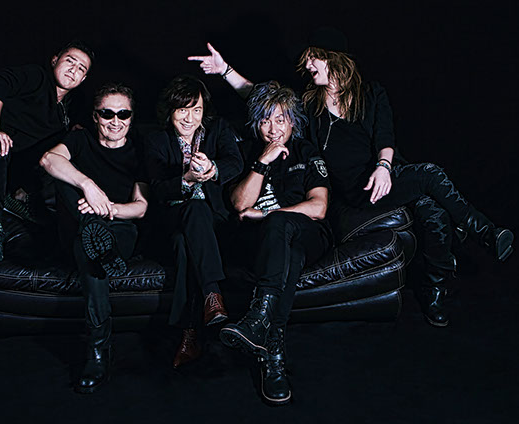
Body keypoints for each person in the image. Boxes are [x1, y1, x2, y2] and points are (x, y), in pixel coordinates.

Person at [188, 30, 514, 327]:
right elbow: (265, 100)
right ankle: (483, 232)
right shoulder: (311, 103)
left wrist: (384, 167)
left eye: (313, 58)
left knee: (431, 205)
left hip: (381, 178)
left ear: (333, 59)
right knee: (430, 178)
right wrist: (225, 70)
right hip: (352, 190)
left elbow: (385, 136)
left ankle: (438, 286)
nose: (307, 66)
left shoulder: (371, 93)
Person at [219, 81, 332, 405]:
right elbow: (240, 204)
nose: (272, 129)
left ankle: (258, 318)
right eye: (265, 120)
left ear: (292, 121)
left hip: (308, 234)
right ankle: (272, 349)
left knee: (280, 224)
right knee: (288, 255)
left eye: (280, 119)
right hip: (266, 246)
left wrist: (269, 214)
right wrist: (262, 162)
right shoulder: (244, 152)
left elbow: (319, 207)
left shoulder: (306, 151)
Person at [40, 83, 148, 393]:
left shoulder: (140, 150)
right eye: (107, 113)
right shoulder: (80, 140)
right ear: (95, 116)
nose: (116, 121)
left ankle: (99, 349)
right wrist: (89, 187)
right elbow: (48, 160)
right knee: (64, 176)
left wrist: (108, 208)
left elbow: (140, 207)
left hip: (119, 229)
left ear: (131, 117)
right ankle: (93, 231)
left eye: (123, 114)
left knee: (91, 253)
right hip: (77, 225)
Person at [0, 40, 95, 261]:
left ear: (83, 79)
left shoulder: (71, 107)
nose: (73, 69)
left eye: (81, 68)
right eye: (69, 61)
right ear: (55, 60)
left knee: (69, 150)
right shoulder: (37, 77)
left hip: (18, 171)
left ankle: (27, 204)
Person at [144, 75, 243, 368]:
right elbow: (157, 187)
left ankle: (189, 335)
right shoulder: (155, 140)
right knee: (188, 219)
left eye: (196, 110)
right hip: (172, 218)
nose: (190, 118)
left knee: (185, 242)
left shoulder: (218, 129)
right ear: (170, 111)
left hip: (214, 222)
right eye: (182, 110)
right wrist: (186, 179)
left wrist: (213, 169)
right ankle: (212, 294)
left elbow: (235, 162)